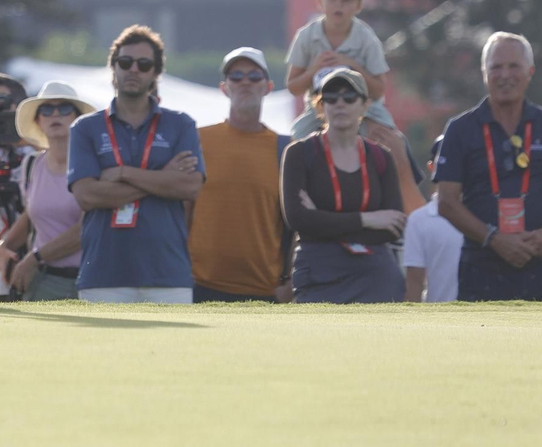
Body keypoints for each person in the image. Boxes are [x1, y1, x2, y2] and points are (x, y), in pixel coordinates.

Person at [435, 32, 542, 302]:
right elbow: (446, 202)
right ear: (484, 73)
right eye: (496, 67)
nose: (505, 74)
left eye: (514, 66)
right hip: (482, 267)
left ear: (530, 71)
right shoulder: (460, 129)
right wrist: (493, 238)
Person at [68, 26, 204, 304]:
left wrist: (121, 173)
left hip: (168, 276)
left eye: (144, 64)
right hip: (103, 276)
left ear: (155, 73)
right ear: (113, 68)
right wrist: (162, 179)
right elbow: (86, 195)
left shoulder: (181, 124)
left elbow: (190, 187)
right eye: (125, 62)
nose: (133, 70)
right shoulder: (85, 127)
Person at [280, 68, 407, 303]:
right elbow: (298, 220)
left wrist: (320, 218)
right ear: (321, 105)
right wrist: (368, 219)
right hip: (320, 273)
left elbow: (392, 227)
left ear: (364, 105)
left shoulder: (381, 157)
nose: (340, 104)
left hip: (375, 274)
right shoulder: (298, 154)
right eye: (331, 98)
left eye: (349, 97)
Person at [190, 48, 294, 303]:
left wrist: (289, 281)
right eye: (236, 77)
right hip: (199, 287)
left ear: (268, 86)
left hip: (264, 292)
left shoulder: (287, 150)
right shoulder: (197, 140)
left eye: (254, 76)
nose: (245, 82)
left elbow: (295, 224)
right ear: (225, 87)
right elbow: (180, 208)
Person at [0, 81, 93, 301]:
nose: (55, 114)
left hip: (88, 283)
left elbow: (88, 228)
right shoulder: (32, 165)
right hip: (41, 281)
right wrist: (5, 246)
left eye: (64, 108)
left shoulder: (94, 165)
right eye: (46, 109)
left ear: (78, 118)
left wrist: (33, 259)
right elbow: (31, 214)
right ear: (38, 120)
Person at [284, 0, 396, 142]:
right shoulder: (306, 36)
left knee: (394, 141)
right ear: (320, 1)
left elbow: (379, 90)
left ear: (359, 5)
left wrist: (352, 65)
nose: (339, 4)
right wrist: (313, 70)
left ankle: (408, 170)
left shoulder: (367, 38)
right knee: (296, 143)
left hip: (365, 110)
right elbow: (293, 87)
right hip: (319, 109)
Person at [403, 138, 463, 302]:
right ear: (432, 167)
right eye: (445, 160)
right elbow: (414, 282)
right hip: (440, 320)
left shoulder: (487, 214)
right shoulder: (419, 220)